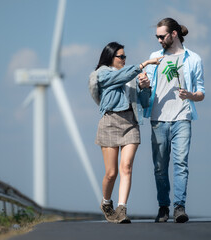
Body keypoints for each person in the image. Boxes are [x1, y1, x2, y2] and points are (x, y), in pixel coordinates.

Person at [89, 42, 162, 223]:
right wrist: (143, 65)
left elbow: (144, 102)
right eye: (120, 57)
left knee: (126, 167)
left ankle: (122, 209)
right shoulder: (101, 74)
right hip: (110, 122)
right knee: (111, 173)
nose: (124, 59)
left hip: (131, 122)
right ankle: (106, 203)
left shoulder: (131, 75)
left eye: (125, 57)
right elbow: (117, 79)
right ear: (110, 57)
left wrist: (145, 87)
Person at [144, 18, 205, 223]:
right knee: (160, 166)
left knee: (181, 163)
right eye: (157, 37)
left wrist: (190, 95)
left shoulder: (193, 59)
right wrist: (142, 83)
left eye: (162, 36)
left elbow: (201, 93)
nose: (159, 40)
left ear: (174, 34)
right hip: (158, 119)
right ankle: (163, 207)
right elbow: (145, 86)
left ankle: (179, 206)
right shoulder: (154, 57)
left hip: (182, 117)